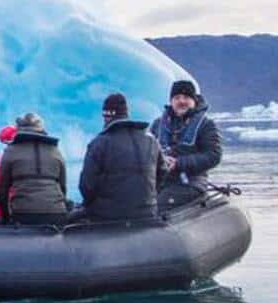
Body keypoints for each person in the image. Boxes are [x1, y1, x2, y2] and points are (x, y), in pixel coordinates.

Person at [76, 93, 159, 221]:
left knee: (72, 218)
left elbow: (86, 187)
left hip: (109, 216)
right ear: (126, 113)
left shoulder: (99, 143)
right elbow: (162, 173)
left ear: (106, 116)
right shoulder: (151, 140)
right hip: (148, 212)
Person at [150, 79, 223, 211]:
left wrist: (178, 163)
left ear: (194, 100)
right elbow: (147, 152)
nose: (181, 101)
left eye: (186, 97)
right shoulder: (157, 125)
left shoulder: (206, 125)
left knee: (156, 207)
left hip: (191, 184)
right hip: (160, 183)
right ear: (171, 101)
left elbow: (214, 156)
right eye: (177, 98)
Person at [0, 112, 69, 224]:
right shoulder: (55, 151)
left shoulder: (11, 151)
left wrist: (5, 218)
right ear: (41, 128)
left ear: (19, 128)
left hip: (23, 213)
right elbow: (63, 187)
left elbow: (2, 191)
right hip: (56, 212)